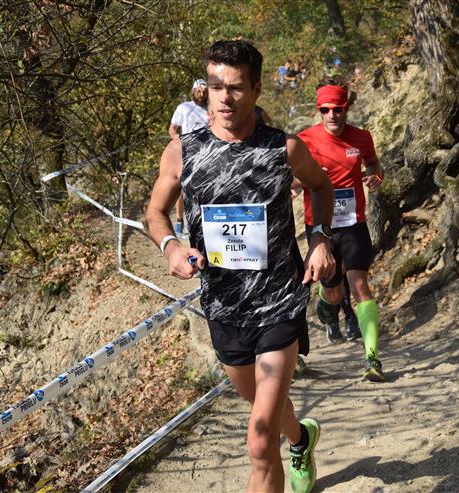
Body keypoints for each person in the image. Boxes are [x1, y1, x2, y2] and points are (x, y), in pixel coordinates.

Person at [145, 40, 336, 493]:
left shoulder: (283, 149)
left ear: (256, 90)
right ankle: (301, 438)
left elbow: (321, 187)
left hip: (279, 302)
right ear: (205, 89)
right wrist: (171, 247)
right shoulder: (182, 152)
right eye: (216, 87)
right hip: (224, 306)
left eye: (235, 88)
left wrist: (320, 239)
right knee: (266, 409)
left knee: (259, 440)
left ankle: (286, 448)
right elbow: (154, 212)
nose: (225, 98)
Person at [297, 82, 386, 382]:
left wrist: (375, 175)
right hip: (320, 228)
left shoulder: (361, 138)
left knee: (360, 286)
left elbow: (373, 163)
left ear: (346, 108)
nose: (332, 115)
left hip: (353, 223)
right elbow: (290, 177)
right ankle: (326, 304)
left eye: (338, 109)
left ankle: (372, 358)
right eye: (325, 110)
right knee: (334, 294)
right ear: (319, 110)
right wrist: (302, 181)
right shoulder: (305, 139)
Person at [168, 79, 209, 236]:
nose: (201, 94)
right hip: (186, 152)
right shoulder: (184, 107)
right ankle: (179, 221)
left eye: (204, 91)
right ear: (193, 91)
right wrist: (178, 141)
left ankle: (201, 222)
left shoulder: (212, 109)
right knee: (181, 188)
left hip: (206, 153)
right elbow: (172, 129)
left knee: (203, 188)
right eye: (199, 91)